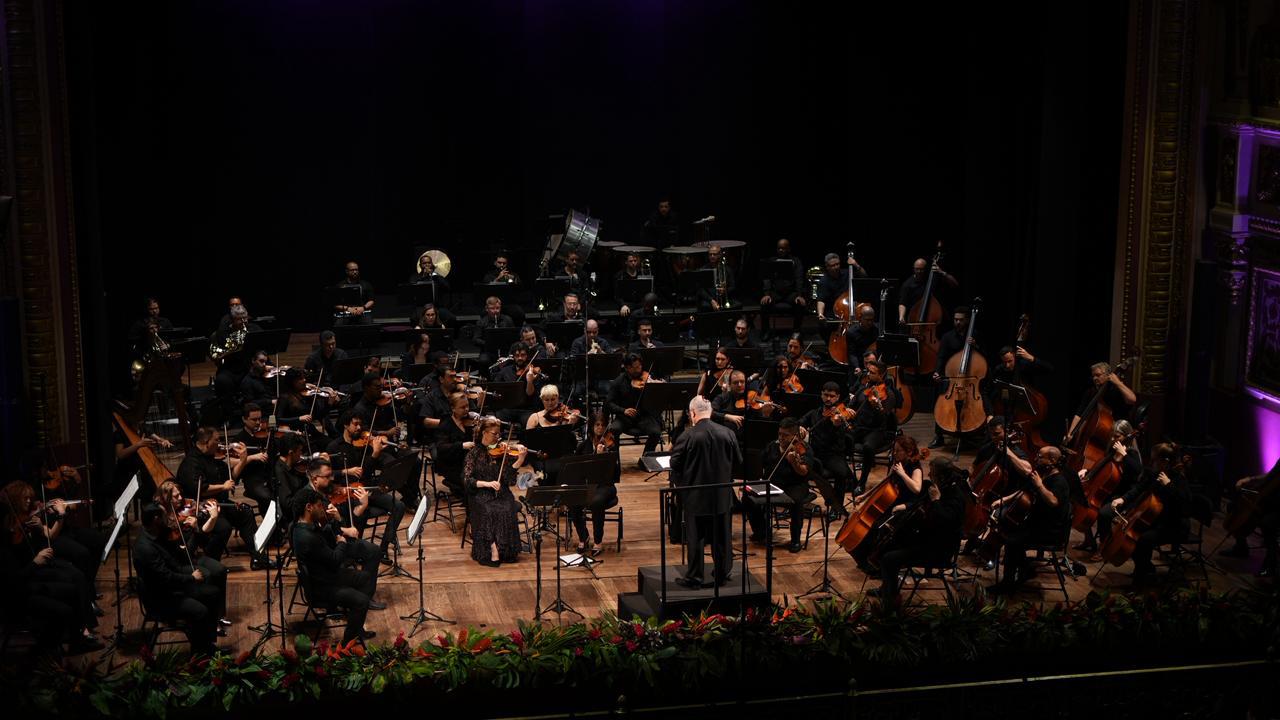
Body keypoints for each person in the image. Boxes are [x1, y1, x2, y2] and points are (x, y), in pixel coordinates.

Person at [290, 487, 381, 644]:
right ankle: (348, 642)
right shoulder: (309, 537)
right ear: (309, 507)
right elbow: (336, 559)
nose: (322, 508)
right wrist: (342, 543)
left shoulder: (299, 526)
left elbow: (326, 540)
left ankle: (355, 625)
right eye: (319, 505)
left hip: (325, 575)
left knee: (365, 578)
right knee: (361, 601)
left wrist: (334, 521)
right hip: (323, 587)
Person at [867, 456, 966, 599]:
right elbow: (919, 503)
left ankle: (891, 599)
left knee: (889, 558)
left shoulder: (955, 496)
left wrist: (936, 501)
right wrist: (905, 506)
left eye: (933, 472)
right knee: (891, 542)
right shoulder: (938, 487)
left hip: (940, 549)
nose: (930, 475)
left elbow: (946, 522)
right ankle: (887, 588)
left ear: (942, 475)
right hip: (926, 540)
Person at [174, 428, 275, 568]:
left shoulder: (213, 457)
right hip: (201, 507)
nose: (221, 444)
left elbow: (231, 478)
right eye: (217, 440)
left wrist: (243, 460)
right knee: (223, 527)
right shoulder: (191, 463)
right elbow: (201, 490)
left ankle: (258, 559)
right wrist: (222, 487)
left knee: (245, 512)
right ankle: (211, 563)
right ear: (206, 442)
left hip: (219, 503)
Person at [134, 503, 225, 655]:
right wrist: (190, 577)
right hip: (161, 597)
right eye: (164, 516)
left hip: (170, 588)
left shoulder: (157, 533)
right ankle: (199, 653)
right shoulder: (146, 547)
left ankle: (207, 646)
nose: (168, 519)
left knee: (213, 593)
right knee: (201, 611)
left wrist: (188, 539)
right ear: (156, 519)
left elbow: (176, 558)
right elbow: (165, 578)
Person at [671, 396, 741, 588]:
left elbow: (674, 463)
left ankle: (695, 577)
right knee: (722, 537)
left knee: (696, 539)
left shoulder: (687, 435)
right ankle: (722, 573)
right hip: (721, 495)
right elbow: (738, 462)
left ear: (692, 413)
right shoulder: (728, 433)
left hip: (696, 497)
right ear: (710, 412)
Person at [986, 446, 1071, 594]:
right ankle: (1025, 569)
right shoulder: (1043, 474)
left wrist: (1039, 485)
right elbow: (1024, 491)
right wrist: (1004, 500)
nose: (1036, 459)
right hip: (1035, 524)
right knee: (1007, 530)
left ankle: (1008, 583)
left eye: (1040, 456)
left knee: (1012, 542)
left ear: (1052, 460)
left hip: (1049, 531)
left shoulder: (1059, 481)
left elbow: (1053, 501)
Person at [1107, 443, 1191, 584]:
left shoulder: (1178, 479)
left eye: (1154, 460)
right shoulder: (1154, 474)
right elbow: (1139, 489)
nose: (1151, 463)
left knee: (1142, 540)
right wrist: (1123, 499)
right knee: (1134, 535)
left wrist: (1169, 485)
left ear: (1165, 462)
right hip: (1155, 521)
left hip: (1174, 525)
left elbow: (1185, 505)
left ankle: (1143, 576)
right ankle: (1145, 569)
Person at [849, 434, 926, 572]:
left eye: (898, 450)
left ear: (908, 452)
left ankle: (877, 562)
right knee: (870, 524)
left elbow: (917, 489)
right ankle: (865, 560)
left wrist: (902, 474)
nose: (894, 453)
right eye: (894, 450)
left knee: (876, 527)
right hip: (892, 502)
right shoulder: (898, 464)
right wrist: (865, 496)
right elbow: (884, 482)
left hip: (906, 506)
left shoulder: (915, 468)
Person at [1073, 419, 1143, 556]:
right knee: (1082, 502)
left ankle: (1104, 545)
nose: (1112, 439)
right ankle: (1088, 541)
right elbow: (1103, 470)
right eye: (1112, 435)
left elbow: (1137, 472)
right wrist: (1087, 471)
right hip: (1107, 491)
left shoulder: (1131, 454)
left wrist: (1124, 455)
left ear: (1127, 436)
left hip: (1123, 496)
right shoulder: (1112, 450)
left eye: (1117, 436)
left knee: (1104, 513)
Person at [744, 418, 815, 553]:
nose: (781, 438)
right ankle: (761, 531)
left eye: (785, 435)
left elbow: (803, 471)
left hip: (795, 485)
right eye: (779, 434)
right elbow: (761, 462)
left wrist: (794, 462)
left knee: (796, 502)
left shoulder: (803, 449)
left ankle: (795, 539)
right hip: (773, 483)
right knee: (747, 495)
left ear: (795, 435)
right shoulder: (773, 446)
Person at [465, 417, 526, 566]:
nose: (498, 437)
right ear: (484, 433)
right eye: (494, 434)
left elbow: (508, 479)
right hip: (480, 493)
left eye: (499, 434)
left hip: (501, 492)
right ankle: (492, 548)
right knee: (487, 509)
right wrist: (486, 483)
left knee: (506, 508)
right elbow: (468, 480)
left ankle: (505, 549)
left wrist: (519, 460)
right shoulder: (473, 453)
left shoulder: (502, 452)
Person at [569, 412, 623, 556]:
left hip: (606, 486)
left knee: (596, 502)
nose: (600, 428)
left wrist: (603, 457)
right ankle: (583, 536)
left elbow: (616, 473)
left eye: (603, 425)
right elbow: (576, 469)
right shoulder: (584, 446)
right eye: (597, 425)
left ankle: (598, 541)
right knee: (572, 500)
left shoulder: (611, 445)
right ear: (591, 426)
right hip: (588, 485)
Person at [799, 382, 857, 514]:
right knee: (798, 466)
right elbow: (800, 422)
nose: (828, 399)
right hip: (815, 454)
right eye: (826, 395)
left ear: (838, 397)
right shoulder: (814, 413)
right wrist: (801, 427)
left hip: (833, 455)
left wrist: (837, 425)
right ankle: (804, 503)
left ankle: (837, 508)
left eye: (832, 396)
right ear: (821, 395)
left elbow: (851, 434)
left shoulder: (842, 415)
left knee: (842, 473)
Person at [928, 307, 979, 449]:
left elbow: (983, 356)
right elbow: (941, 357)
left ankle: (967, 435)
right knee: (939, 398)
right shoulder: (947, 337)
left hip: (969, 379)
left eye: (961, 320)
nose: (957, 322)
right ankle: (939, 436)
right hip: (951, 377)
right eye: (956, 319)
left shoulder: (974, 335)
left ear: (967, 320)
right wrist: (937, 372)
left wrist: (976, 346)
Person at [1223, 458, 1280, 577]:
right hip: (1267, 500)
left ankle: (1271, 565)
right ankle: (1241, 547)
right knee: (1234, 505)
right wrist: (1249, 479)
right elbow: (1270, 475)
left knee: (1268, 523)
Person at [607, 354, 664, 461]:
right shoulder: (618, 382)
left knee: (656, 432)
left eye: (640, 366)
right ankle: (615, 461)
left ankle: (645, 460)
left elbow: (656, 399)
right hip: (625, 417)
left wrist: (655, 387)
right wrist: (624, 410)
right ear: (627, 368)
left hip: (644, 416)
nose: (640, 369)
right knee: (614, 429)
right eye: (636, 367)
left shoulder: (645, 378)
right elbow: (609, 403)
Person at [209, 304, 261, 419]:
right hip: (230, 368)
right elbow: (215, 356)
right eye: (239, 319)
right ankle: (229, 415)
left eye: (245, 318)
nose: (243, 321)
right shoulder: (222, 333)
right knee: (222, 381)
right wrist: (229, 352)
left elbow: (262, 349)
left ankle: (258, 411)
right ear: (232, 320)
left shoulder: (254, 329)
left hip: (250, 366)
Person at [1066, 361, 1138, 442]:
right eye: (1093, 376)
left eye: (1098, 375)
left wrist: (1117, 382)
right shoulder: (1091, 392)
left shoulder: (1117, 389)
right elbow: (1079, 414)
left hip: (1121, 432)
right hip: (1102, 434)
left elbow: (1132, 400)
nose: (1095, 378)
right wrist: (1070, 433)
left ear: (1108, 375)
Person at [232, 402, 279, 513]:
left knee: (283, 493)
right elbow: (232, 462)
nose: (258, 423)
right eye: (254, 420)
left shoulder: (266, 434)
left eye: (259, 419)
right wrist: (252, 457)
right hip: (253, 480)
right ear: (244, 419)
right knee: (267, 498)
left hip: (272, 474)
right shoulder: (239, 440)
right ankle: (272, 527)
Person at [758, 238, 806, 338]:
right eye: (779, 248)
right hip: (775, 293)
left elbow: (799, 279)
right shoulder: (772, 261)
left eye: (783, 248)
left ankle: (796, 331)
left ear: (788, 249)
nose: (781, 250)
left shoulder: (796, 261)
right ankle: (766, 331)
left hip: (790, 294)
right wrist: (767, 294)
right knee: (764, 304)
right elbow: (767, 279)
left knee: (800, 304)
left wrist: (799, 295)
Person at [896, 256, 958, 326]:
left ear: (926, 269)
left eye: (922, 269)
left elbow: (954, 284)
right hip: (916, 318)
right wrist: (901, 316)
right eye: (917, 269)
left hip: (934, 318)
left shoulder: (932, 278)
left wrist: (941, 272)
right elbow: (903, 303)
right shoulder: (907, 284)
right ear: (913, 269)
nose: (919, 272)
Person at [815, 251, 868, 321]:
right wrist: (820, 314)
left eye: (837, 264)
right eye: (833, 265)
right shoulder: (824, 281)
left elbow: (864, 277)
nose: (836, 267)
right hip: (833, 313)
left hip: (850, 309)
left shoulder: (848, 273)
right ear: (827, 267)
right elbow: (821, 300)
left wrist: (856, 264)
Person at [696, 244, 737, 311]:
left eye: (714, 254)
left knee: (736, 305)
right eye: (710, 254)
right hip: (709, 300)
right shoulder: (703, 269)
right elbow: (700, 290)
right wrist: (711, 300)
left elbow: (733, 287)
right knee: (704, 306)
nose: (712, 256)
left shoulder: (727, 269)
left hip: (723, 299)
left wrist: (725, 291)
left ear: (719, 255)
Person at [333, 260, 375, 324]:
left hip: (362, 312)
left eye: (356, 270)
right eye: (352, 270)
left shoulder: (366, 284)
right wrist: (348, 308)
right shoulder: (340, 285)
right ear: (347, 271)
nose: (355, 272)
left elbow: (371, 300)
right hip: (346, 312)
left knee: (368, 323)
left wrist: (363, 308)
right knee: (338, 324)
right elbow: (335, 304)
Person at [614, 252, 649, 318]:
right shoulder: (620, 275)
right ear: (626, 262)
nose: (633, 263)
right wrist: (623, 305)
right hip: (627, 303)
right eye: (631, 261)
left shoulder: (642, 273)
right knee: (626, 312)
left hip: (639, 302)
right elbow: (617, 295)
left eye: (635, 261)